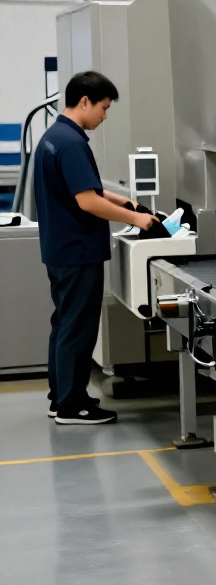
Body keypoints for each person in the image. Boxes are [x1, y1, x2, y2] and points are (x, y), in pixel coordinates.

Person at [34, 71, 155, 425]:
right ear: (84, 101)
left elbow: (88, 190)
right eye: (103, 107)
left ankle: (61, 398)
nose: (104, 115)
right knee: (78, 327)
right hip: (78, 251)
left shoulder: (55, 137)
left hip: (60, 249)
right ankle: (73, 406)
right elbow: (87, 202)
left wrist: (123, 202)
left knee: (64, 324)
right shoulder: (72, 143)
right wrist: (139, 221)